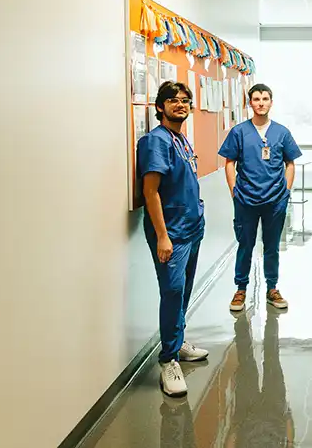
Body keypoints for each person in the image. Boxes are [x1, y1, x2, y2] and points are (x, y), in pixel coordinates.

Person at [136, 81, 210, 397]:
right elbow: (150, 191)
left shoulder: (180, 139)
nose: (180, 104)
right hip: (172, 235)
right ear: (160, 107)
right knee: (172, 292)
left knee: (184, 291)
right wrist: (163, 237)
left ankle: (177, 344)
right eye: (173, 100)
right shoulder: (155, 142)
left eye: (185, 100)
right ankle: (168, 360)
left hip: (192, 228)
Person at [219, 83, 302, 313]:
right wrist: (234, 191)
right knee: (245, 245)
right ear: (250, 103)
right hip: (246, 199)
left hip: (275, 200)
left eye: (265, 99)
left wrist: (285, 191)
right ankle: (241, 288)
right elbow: (229, 162)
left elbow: (290, 163)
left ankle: (272, 288)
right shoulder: (239, 132)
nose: (261, 103)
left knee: (272, 246)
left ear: (271, 102)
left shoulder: (281, 132)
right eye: (256, 99)